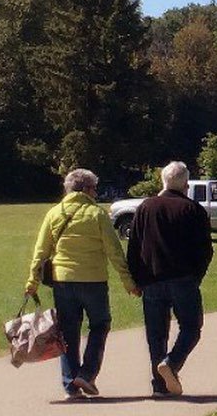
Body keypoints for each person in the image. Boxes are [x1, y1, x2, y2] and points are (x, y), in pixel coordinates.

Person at [25, 169, 139, 400]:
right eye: (94, 188)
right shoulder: (97, 215)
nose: (96, 192)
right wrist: (128, 282)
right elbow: (114, 252)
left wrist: (32, 281)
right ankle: (87, 374)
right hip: (93, 280)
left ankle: (70, 384)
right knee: (100, 325)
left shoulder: (54, 213)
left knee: (68, 333)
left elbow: (40, 251)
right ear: (86, 189)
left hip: (63, 281)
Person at [127, 161, 213, 397]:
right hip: (184, 278)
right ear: (186, 184)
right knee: (192, 328)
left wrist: (135, 278)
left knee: (156, 335)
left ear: (162, 181)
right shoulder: (193, 210)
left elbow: (134, 246)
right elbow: (205, 250)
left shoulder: (145, 207)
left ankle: (160, 384)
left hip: (151, 279)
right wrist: (197, 275)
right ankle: (172, 363)